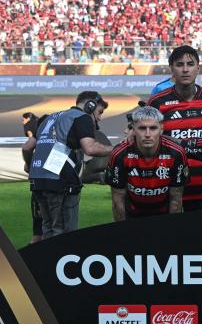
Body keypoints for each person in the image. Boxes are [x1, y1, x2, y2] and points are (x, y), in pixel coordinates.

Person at [23, 91, 112, 239]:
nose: (100, 118)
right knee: (65, 235)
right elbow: (90, 148)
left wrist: (29, 165)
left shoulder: (49, 118)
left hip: (37, 180)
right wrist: (117, 149)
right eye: (99, 112)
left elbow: (26, 148)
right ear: (90, 106)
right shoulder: (82, 117)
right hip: (61, 182)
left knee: (48, 229)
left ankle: (46, 261)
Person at [148, 45, 202, 212]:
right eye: (179, 64)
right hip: (167, 189)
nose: (185, 69)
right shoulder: (157, 103)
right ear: (171, 69)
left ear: (198, 68)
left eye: (190, 64)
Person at [107, 106, 189, 220]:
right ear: (134, 129)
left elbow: (176, 199)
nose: (147, 134)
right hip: (132, 217)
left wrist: (172, 230)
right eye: (142, 128)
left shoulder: (176, 153)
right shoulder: (119, 154)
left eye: (153, 128)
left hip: (163, 218)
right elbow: (117, 201)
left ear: (161, 129)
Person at [21, 114, 48, 244]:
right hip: (55, 189)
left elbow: (26, 148)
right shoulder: (59, 139)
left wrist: (30, 164)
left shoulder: (39, 141)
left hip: (38, 186)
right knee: (53, 229)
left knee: (38, 231)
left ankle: (30, 261)